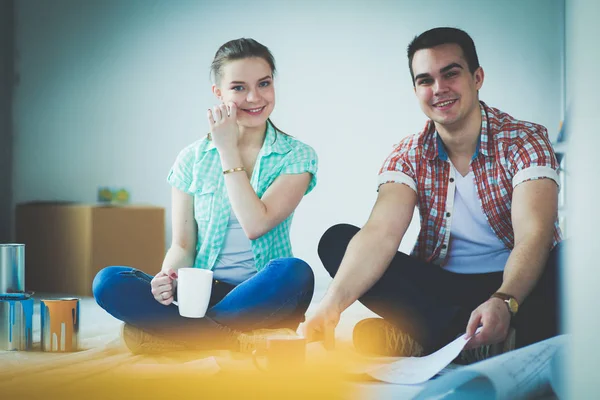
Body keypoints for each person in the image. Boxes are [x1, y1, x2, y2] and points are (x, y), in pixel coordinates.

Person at [301, 27, 562, 361]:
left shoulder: (524, 140)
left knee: (572, 259)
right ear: (415, 90)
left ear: (477, 77)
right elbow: (380, 233)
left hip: (517, 285)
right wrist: (330, 307)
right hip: (443, 293)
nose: (439, 89)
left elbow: (534, 235)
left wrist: (504, 300)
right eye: (425, 80)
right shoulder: (408, 154)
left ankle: (430, 339)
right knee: (338, 241)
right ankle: (466, 339)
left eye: (450, 74)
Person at [93, 38, 318, 354]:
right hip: (199, 293)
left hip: (262, 294)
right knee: (108, 281)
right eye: (238, 87)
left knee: (296, 272)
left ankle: (177, 334)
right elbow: (183, 245)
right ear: (219, 94)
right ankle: (223, 338)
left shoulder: (296, 156)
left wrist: (227, 150)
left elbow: (256, 224)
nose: (254, 97)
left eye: (264, 84)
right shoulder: (192, 158)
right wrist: (167, 278)